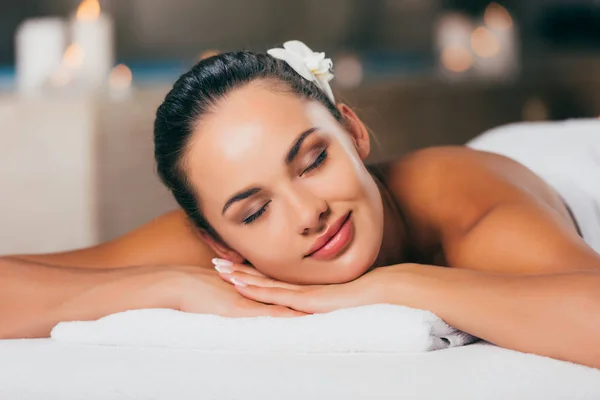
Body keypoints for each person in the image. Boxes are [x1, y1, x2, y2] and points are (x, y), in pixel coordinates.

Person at [1, 41, 599, 369]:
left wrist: (398, 285)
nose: (307, 212)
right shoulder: (218, 252)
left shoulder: (470, 210)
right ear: (217, 241)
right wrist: (161, 286)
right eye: (254, 210)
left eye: (313, 159)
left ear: (354, 133)